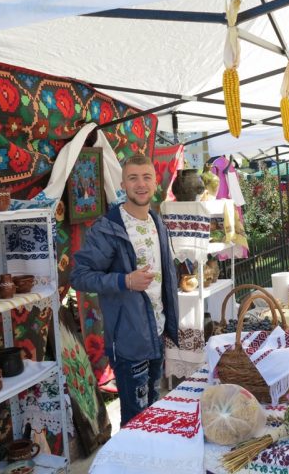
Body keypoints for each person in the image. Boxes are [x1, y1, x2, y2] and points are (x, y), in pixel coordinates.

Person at [71, 155, 179, 426]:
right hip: (129, 341)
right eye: (133, 178)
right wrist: (125, 281)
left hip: (156, 333)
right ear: (123, 185)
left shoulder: (157, 222)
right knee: (135, 420)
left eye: (146, 177)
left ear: (155, 182)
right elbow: (80, 277)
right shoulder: (108, 229)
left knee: (152, 411)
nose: (140, 184)